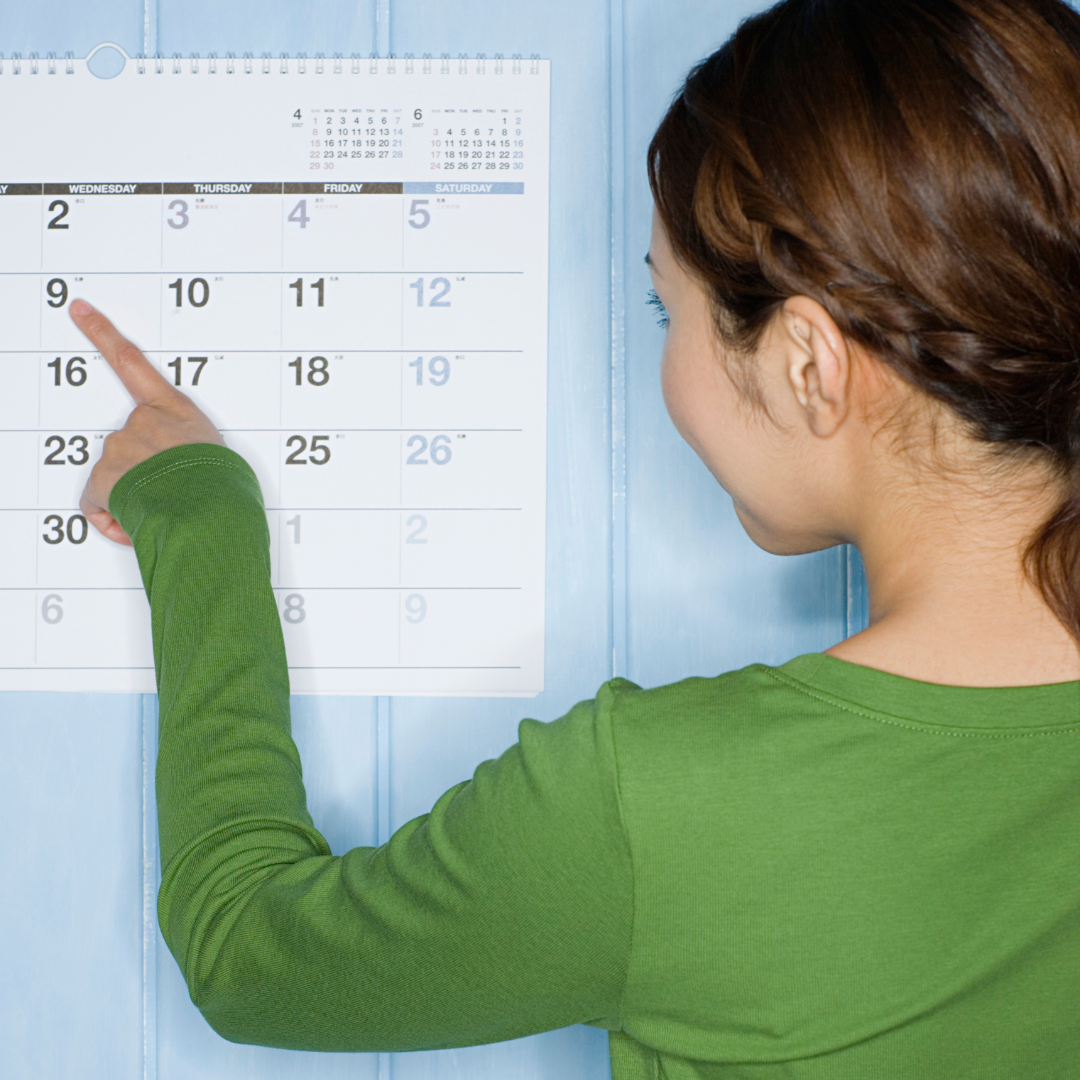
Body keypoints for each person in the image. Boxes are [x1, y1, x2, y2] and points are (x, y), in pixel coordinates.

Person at [72, 0, 1080, 1075]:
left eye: (668, 312)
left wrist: (200, 513)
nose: (666, 359)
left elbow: (246, 952)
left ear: (807, 365)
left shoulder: (652, 806)